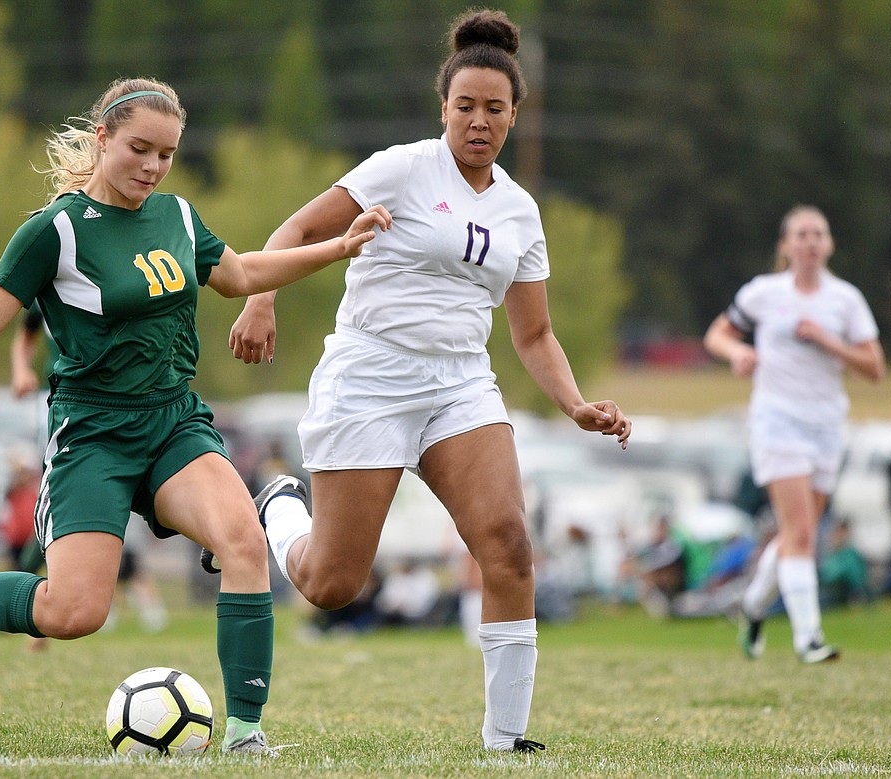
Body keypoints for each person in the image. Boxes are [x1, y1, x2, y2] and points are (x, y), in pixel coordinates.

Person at [0, 76, 390, 756]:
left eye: (167, 154)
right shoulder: (53, 231)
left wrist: (338, 248)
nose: (152, 167)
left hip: (175, 421)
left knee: (242, 540)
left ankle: (245, 734)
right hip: (92, 436)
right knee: (75, 611)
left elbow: (240, 274)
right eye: (139, 149)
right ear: (103, 139)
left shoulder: (177, 216)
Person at [208, 9, 631, 753]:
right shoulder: (401, 168)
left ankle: (506, 741)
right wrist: (261, 298)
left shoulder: (520, 211)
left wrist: (574, 404)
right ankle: (278, 507)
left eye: (494, 109)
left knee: (507, 543)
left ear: (513, 116)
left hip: (461, 383)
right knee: (333, 583)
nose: (478, 120)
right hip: (370, 373)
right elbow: (298, 232)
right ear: (444, 109)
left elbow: (532, 333)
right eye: (464, 105)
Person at [703, 204, 885, 663]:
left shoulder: (845, 300)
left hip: (826, 425)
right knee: (801, 531)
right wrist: (736, 354)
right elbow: (717, 335)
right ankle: (809, 638)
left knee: (796, 535)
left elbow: (875, 368)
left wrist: (829, 341)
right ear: (785, 245)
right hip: (776, 421)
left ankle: (753, 605)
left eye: (818, 234)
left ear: (829, 244)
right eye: (801, 234)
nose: (810, 242)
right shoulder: (765, 292)